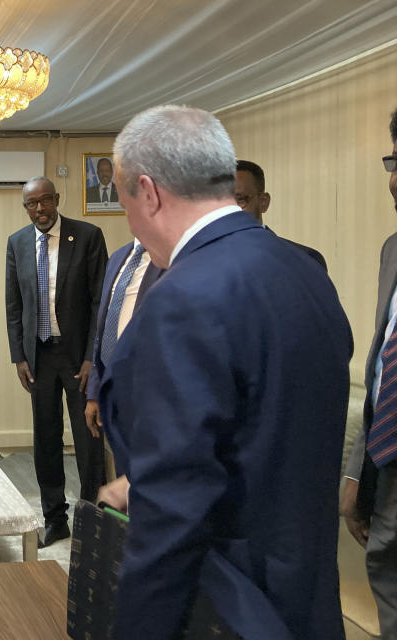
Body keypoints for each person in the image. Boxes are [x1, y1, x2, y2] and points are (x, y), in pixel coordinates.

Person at [99, 105, 352, 639]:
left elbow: (174, 514)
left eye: (124, 202)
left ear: (148, 192)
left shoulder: (181, 298)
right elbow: (260, 427)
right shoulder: (303, 271)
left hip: (226, 604)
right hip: (302, 591)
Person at [5, 177, 108, 548]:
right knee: (45, 439)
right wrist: (19, 355)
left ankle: (93, 518)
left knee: (87, 439)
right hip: (39, 356)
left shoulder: (87, 236)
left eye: (45, 201)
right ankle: (55, 519)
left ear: (57, 199)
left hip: (78, 356)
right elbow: (14, 305)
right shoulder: (17, 243)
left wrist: (92, 358)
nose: (40, 209)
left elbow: (101, 302)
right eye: (32, 204)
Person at [340, 108, 397, 640]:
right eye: (394, 161)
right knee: (385, 574)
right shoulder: (392, 251)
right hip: (386, 462)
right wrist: (358, 474)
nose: (395, 178)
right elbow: (383, 370)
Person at [84, 239, 162, 508]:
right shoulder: (119, 257)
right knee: (122, 475)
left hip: (148, 393)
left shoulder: (170, 257)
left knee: (147, 482)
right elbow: (102, 327)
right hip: (114, 390)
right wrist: (94, 392)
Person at [234, 159, 327, 269]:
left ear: (263, 202)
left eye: (240, 200)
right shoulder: (209, 257)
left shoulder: (304, 260)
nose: (226, 211)